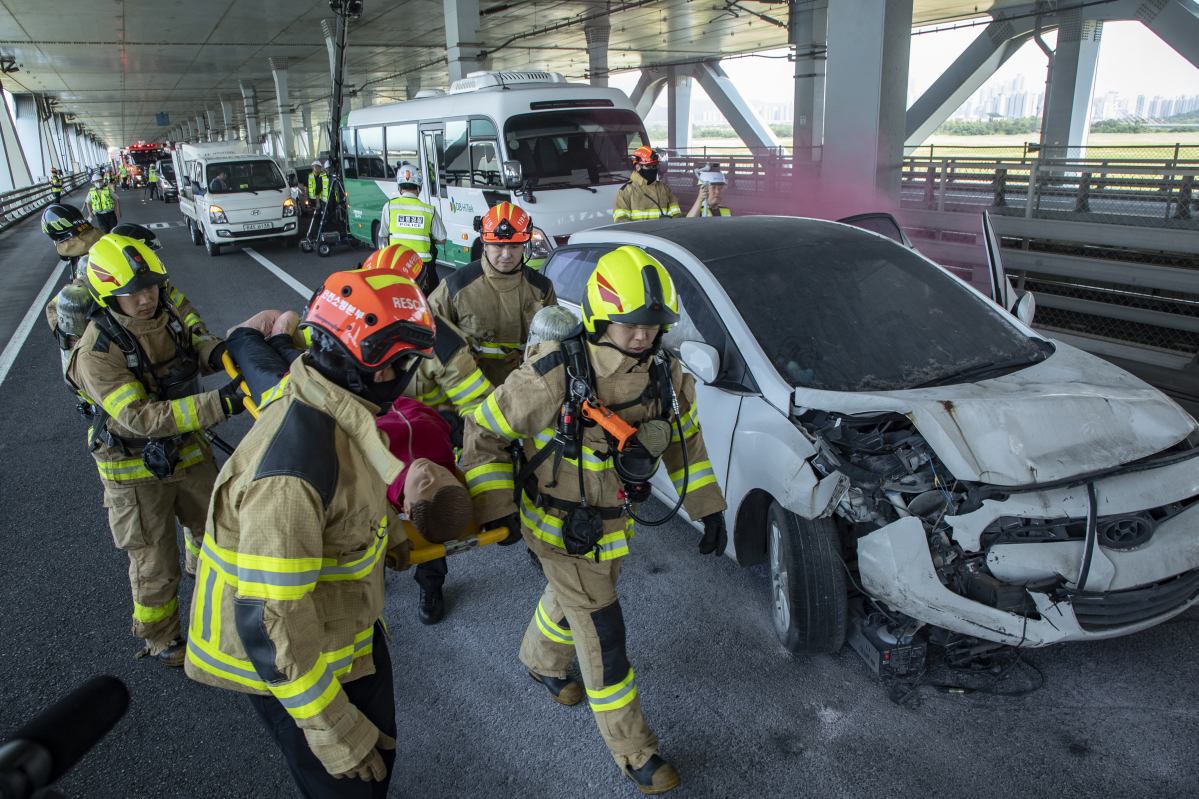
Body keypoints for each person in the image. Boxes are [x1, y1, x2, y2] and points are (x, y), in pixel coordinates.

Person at [460, 246, 729, 796]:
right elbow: (483, 430)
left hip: (612, 525)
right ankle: (636, 752)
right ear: (603, 316)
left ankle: (540, 660)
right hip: (559, 530)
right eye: (633, 325)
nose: (644, 337)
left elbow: (686, 444)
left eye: (655, 327)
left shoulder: (665, 375)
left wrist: (710, 510)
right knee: (604, 634)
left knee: (576, 599)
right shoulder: (556, 373)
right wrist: (496, 508)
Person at [184, 270, 435, 799]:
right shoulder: (291, 471)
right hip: (296, 668)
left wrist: (388, 539)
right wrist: (335, 731)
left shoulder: (339, 407)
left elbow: (348, 498)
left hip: (340, 634)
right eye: (405, 364)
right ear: (379, 366)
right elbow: (269, 620)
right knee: (352, 784)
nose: (408, 375)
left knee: (380, 761)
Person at [66, 234, 243, 667]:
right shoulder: (97, 352)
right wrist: (223, 402)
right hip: (134, 466)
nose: (146, 299)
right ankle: (162, 638)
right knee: (154, 563)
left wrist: (218, 353)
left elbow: (194, 337)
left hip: (187, 446)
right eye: (133, 294)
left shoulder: (165, 304)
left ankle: (209, 585)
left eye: (150, 288)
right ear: (109, 296)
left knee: (218, 526)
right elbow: (143, 419)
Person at [426, 202, 557, 388]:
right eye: (498, 245)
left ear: (524, 246)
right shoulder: (456, 285)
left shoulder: (542, 288)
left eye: (514, 246)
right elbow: (429, 335)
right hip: (472, 391)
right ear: (485, 244)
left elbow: (554, 343)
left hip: (524, 390)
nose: (506, 254)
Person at [383, 163, 446, 293]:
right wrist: (427, 239)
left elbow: (385, 234)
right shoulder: (429, 211)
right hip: (423, 268)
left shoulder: (389, 207)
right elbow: (442, 238)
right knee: (431, 302)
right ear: (419, 187)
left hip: (397, 266)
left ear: (399, 186)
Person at [612, 146, 682, 223]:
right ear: (638, 167)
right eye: (648, 166)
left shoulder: (664, 189)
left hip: (661, 234)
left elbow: (676, 216)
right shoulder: (626, 191)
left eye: (655, 166)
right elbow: (621, 220)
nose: (653, 169)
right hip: (640, 234)